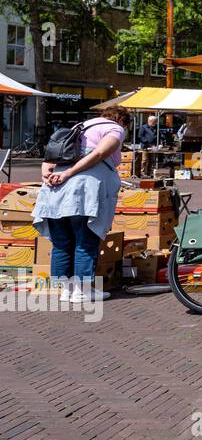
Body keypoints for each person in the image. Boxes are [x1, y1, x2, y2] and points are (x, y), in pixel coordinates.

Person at [33, 106, 129, 303]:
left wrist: (48, 174)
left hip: (55, 193)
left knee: (61, 243)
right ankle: (82, 290)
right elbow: (100, 153)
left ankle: (66, 290)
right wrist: (70, 173)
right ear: (124, 122)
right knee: (85, 240)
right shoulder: (115, 129)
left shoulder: (79, 126)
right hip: (83, 192)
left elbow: (49, 157)